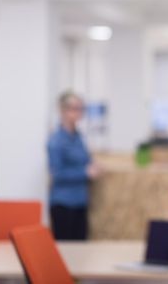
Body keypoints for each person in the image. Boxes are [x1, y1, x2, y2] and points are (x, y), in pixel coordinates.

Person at [47, 91, 103, 240]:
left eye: (81, 108)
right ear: (63, 110)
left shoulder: (78, 136)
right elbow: (57, 174)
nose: (79, 112)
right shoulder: (56, 140)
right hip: (63, 204)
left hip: (80, 201)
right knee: (66, 251)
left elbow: (84, 160)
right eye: (75, 108)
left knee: (81, 249)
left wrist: (93, 165)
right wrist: (85, 173)